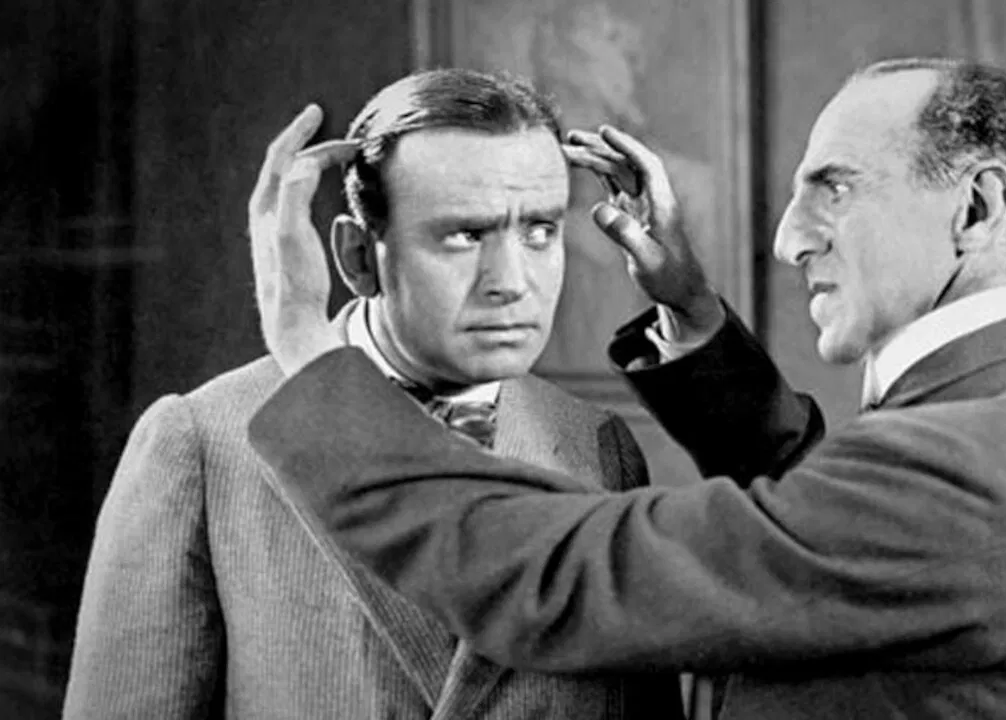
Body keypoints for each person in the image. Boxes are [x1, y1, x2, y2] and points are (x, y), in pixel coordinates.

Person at [246, 58, 1006, 719]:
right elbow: (829, 538)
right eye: (464, 233)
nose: (789, 238)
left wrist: (309, 356)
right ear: (364, 253)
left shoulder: (962, 471)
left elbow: (562, 579)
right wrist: (688, 310)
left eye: (835, 189)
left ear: (977, 208)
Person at [63, 68, 681, 719]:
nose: (511, 282)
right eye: (464, 235)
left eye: (539, 231)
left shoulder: (596, 447)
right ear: (359, 257)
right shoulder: (203, 443)